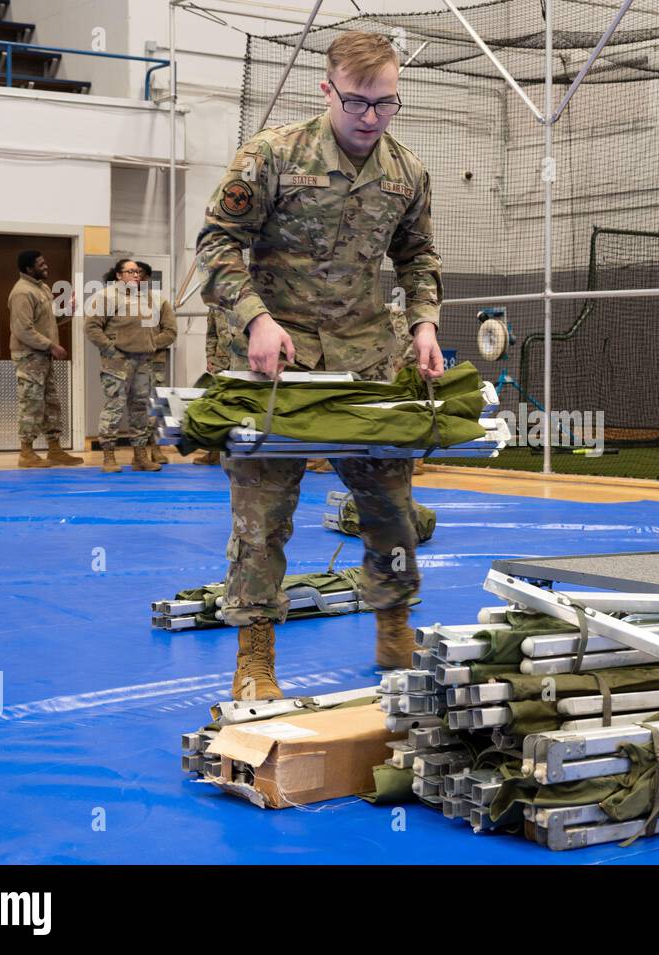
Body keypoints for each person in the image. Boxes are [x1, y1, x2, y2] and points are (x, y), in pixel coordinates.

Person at [197, 30, 444, 700]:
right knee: (263, 512)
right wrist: (256, 318)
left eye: (386, 103)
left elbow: (418, 257)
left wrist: (424, 323)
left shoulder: (406, 172)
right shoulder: (273, 156)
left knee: (389, 505)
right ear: (327, 89)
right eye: (359, 102)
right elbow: (217, 244)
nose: (371, 118)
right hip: (276, 361)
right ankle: (255, 656)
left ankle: (394, 627)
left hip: (365, 358)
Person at [85, 258, 177, 473]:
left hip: (143, 361)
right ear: (118, 275)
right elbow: (91, 327)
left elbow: (166, 330)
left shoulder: (148, 298)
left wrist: (150, 345)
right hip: (117, 362)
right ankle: (108, 457)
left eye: (137, 272)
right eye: (130, 272)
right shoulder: (106, 297)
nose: (136, 275)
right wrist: (110, 350)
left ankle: (140, 456)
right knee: (114, 407)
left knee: (140, 409)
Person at [8, 250, 82, 468]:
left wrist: (68, 310)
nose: (46, 266)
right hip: (29, 357)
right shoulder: (22, 292)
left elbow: (47, 321)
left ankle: (55, 450)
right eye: (41, 264)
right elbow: (23, 330)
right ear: (29, 269)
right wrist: (52, 345)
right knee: (31, 402)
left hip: (43, 357)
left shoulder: (43, 289)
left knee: (51, 403)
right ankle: (26, 453)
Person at [138, 261, 177, 465]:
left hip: (154, 362)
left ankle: (155, 446)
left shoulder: (160, 303)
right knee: (135, 406)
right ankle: (139, 451)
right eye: (134, 273)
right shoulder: (119, 302)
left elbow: (170, 332)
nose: (137, 278)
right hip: (128, 364)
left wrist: (149, 344)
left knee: (154, 407)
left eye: (141, 275)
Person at [192, 305, 232, 466]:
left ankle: (240, 451)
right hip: (221, 362)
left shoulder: (251, 300)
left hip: (245, 362)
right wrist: (210, 356)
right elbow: (211, 334)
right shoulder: (216, 306)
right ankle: (214, 452)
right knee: (216, 407)